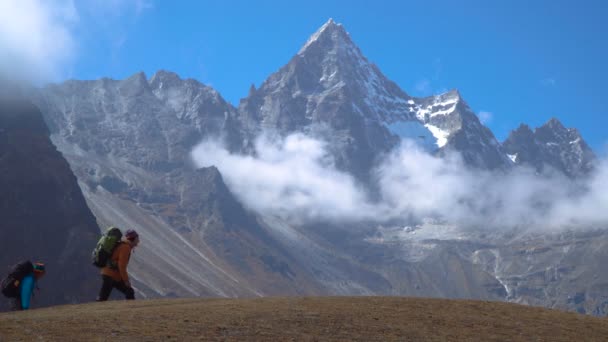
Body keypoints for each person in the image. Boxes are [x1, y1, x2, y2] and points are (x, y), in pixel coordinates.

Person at [96, 229, 139, 301]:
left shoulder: (123, 245)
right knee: (103, 298)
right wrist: (126, 281)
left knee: (129, 291)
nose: (138, 241)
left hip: (109, 273)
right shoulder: (125, 248)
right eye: (137, 238)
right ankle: (131, 310)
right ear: (133, 238)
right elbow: (121, 266)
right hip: (111, 274)